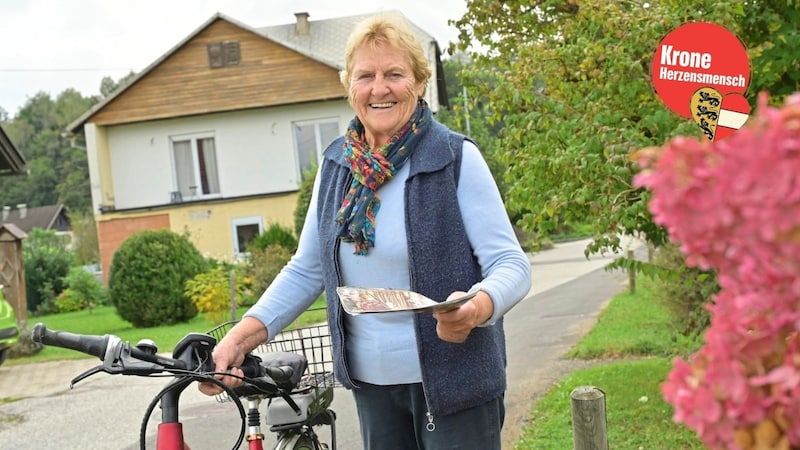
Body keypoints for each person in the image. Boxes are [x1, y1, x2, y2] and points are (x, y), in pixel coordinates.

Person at [200, 14, 532, 450]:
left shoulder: (453, 158)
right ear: (349, 86)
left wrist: (478, 307)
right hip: (373, 388)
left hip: (455, 384)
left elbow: (511, 264)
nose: (380, 88)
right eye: (366, 76)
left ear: (419, 82)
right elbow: (307, 269)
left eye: (394, 74)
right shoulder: (336, 165)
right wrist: (240, 338)